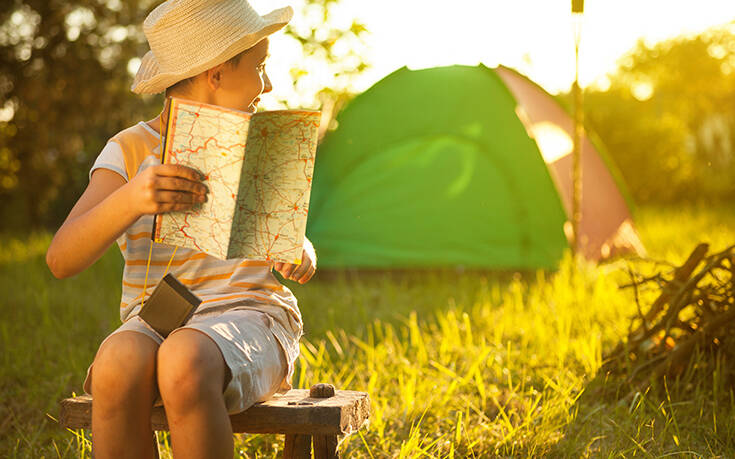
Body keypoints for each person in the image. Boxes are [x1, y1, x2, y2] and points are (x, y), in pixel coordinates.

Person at [44, 1, 314, 457]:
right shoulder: (131, 150)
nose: (267, 85)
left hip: (251, 315)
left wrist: (298, 247)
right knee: (115, 363)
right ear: (216, 73)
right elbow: (61, 258)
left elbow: (292, 234)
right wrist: (133, 198)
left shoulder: (261, 145)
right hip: (160, 317)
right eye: (260, 68)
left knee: (183, 358)